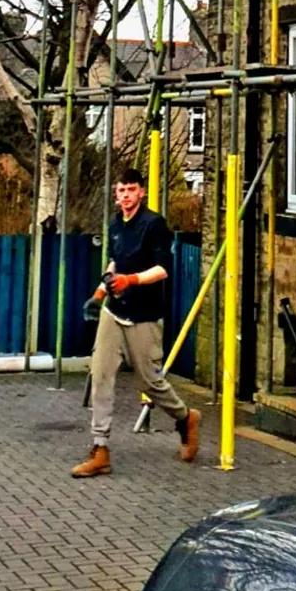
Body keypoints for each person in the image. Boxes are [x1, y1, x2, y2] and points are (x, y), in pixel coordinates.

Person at [71, 166, 201, 478]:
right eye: (121, 191)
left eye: (131, 190)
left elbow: (162, 269)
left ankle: (185, 418)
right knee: (100, 371)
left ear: (141, 192)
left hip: (145, 314)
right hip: (114, 312)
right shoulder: (116, 224)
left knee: (149, 382)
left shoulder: (154, 224)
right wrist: (100, 293)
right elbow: (115, 262)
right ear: (116, 194)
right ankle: (100, 448)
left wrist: (131, 280)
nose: (126, 196)